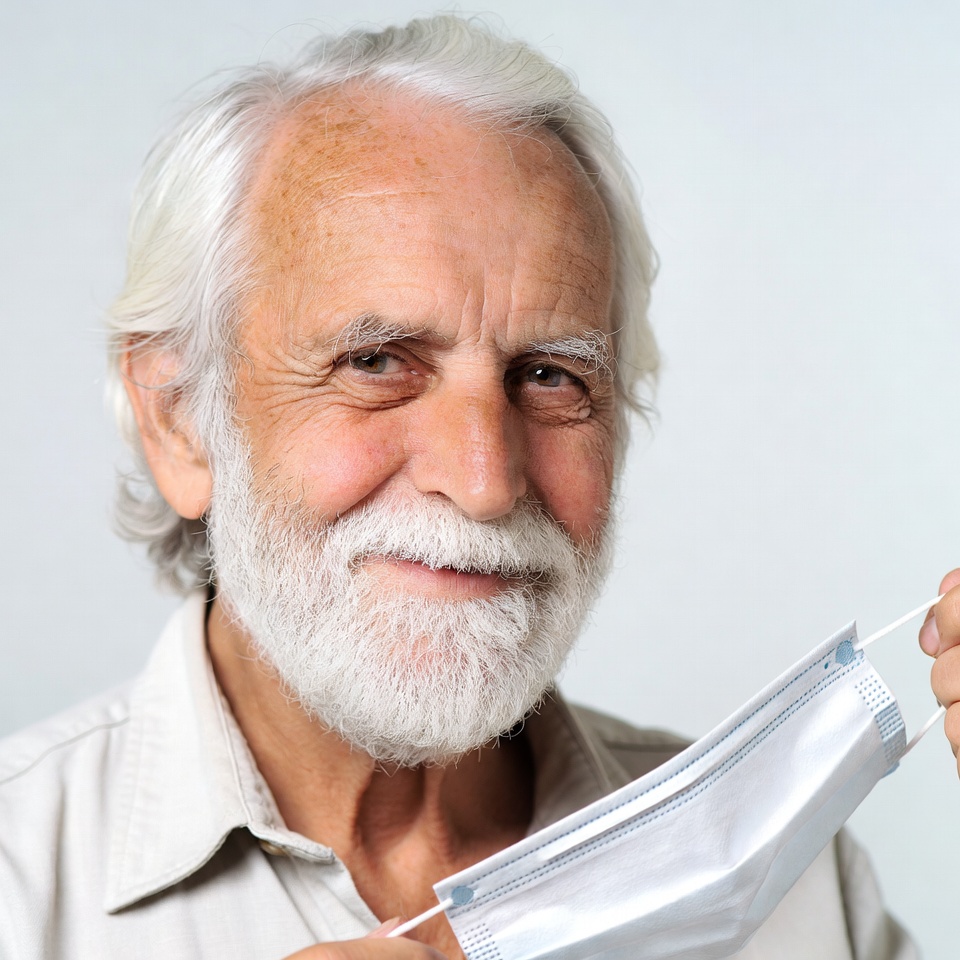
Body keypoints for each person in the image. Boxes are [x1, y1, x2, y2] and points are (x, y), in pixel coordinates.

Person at [0, 14, 949, 959]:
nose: (485, 481)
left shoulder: (786, 872)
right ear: (179, 418)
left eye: (550, 376)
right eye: (375, 362)